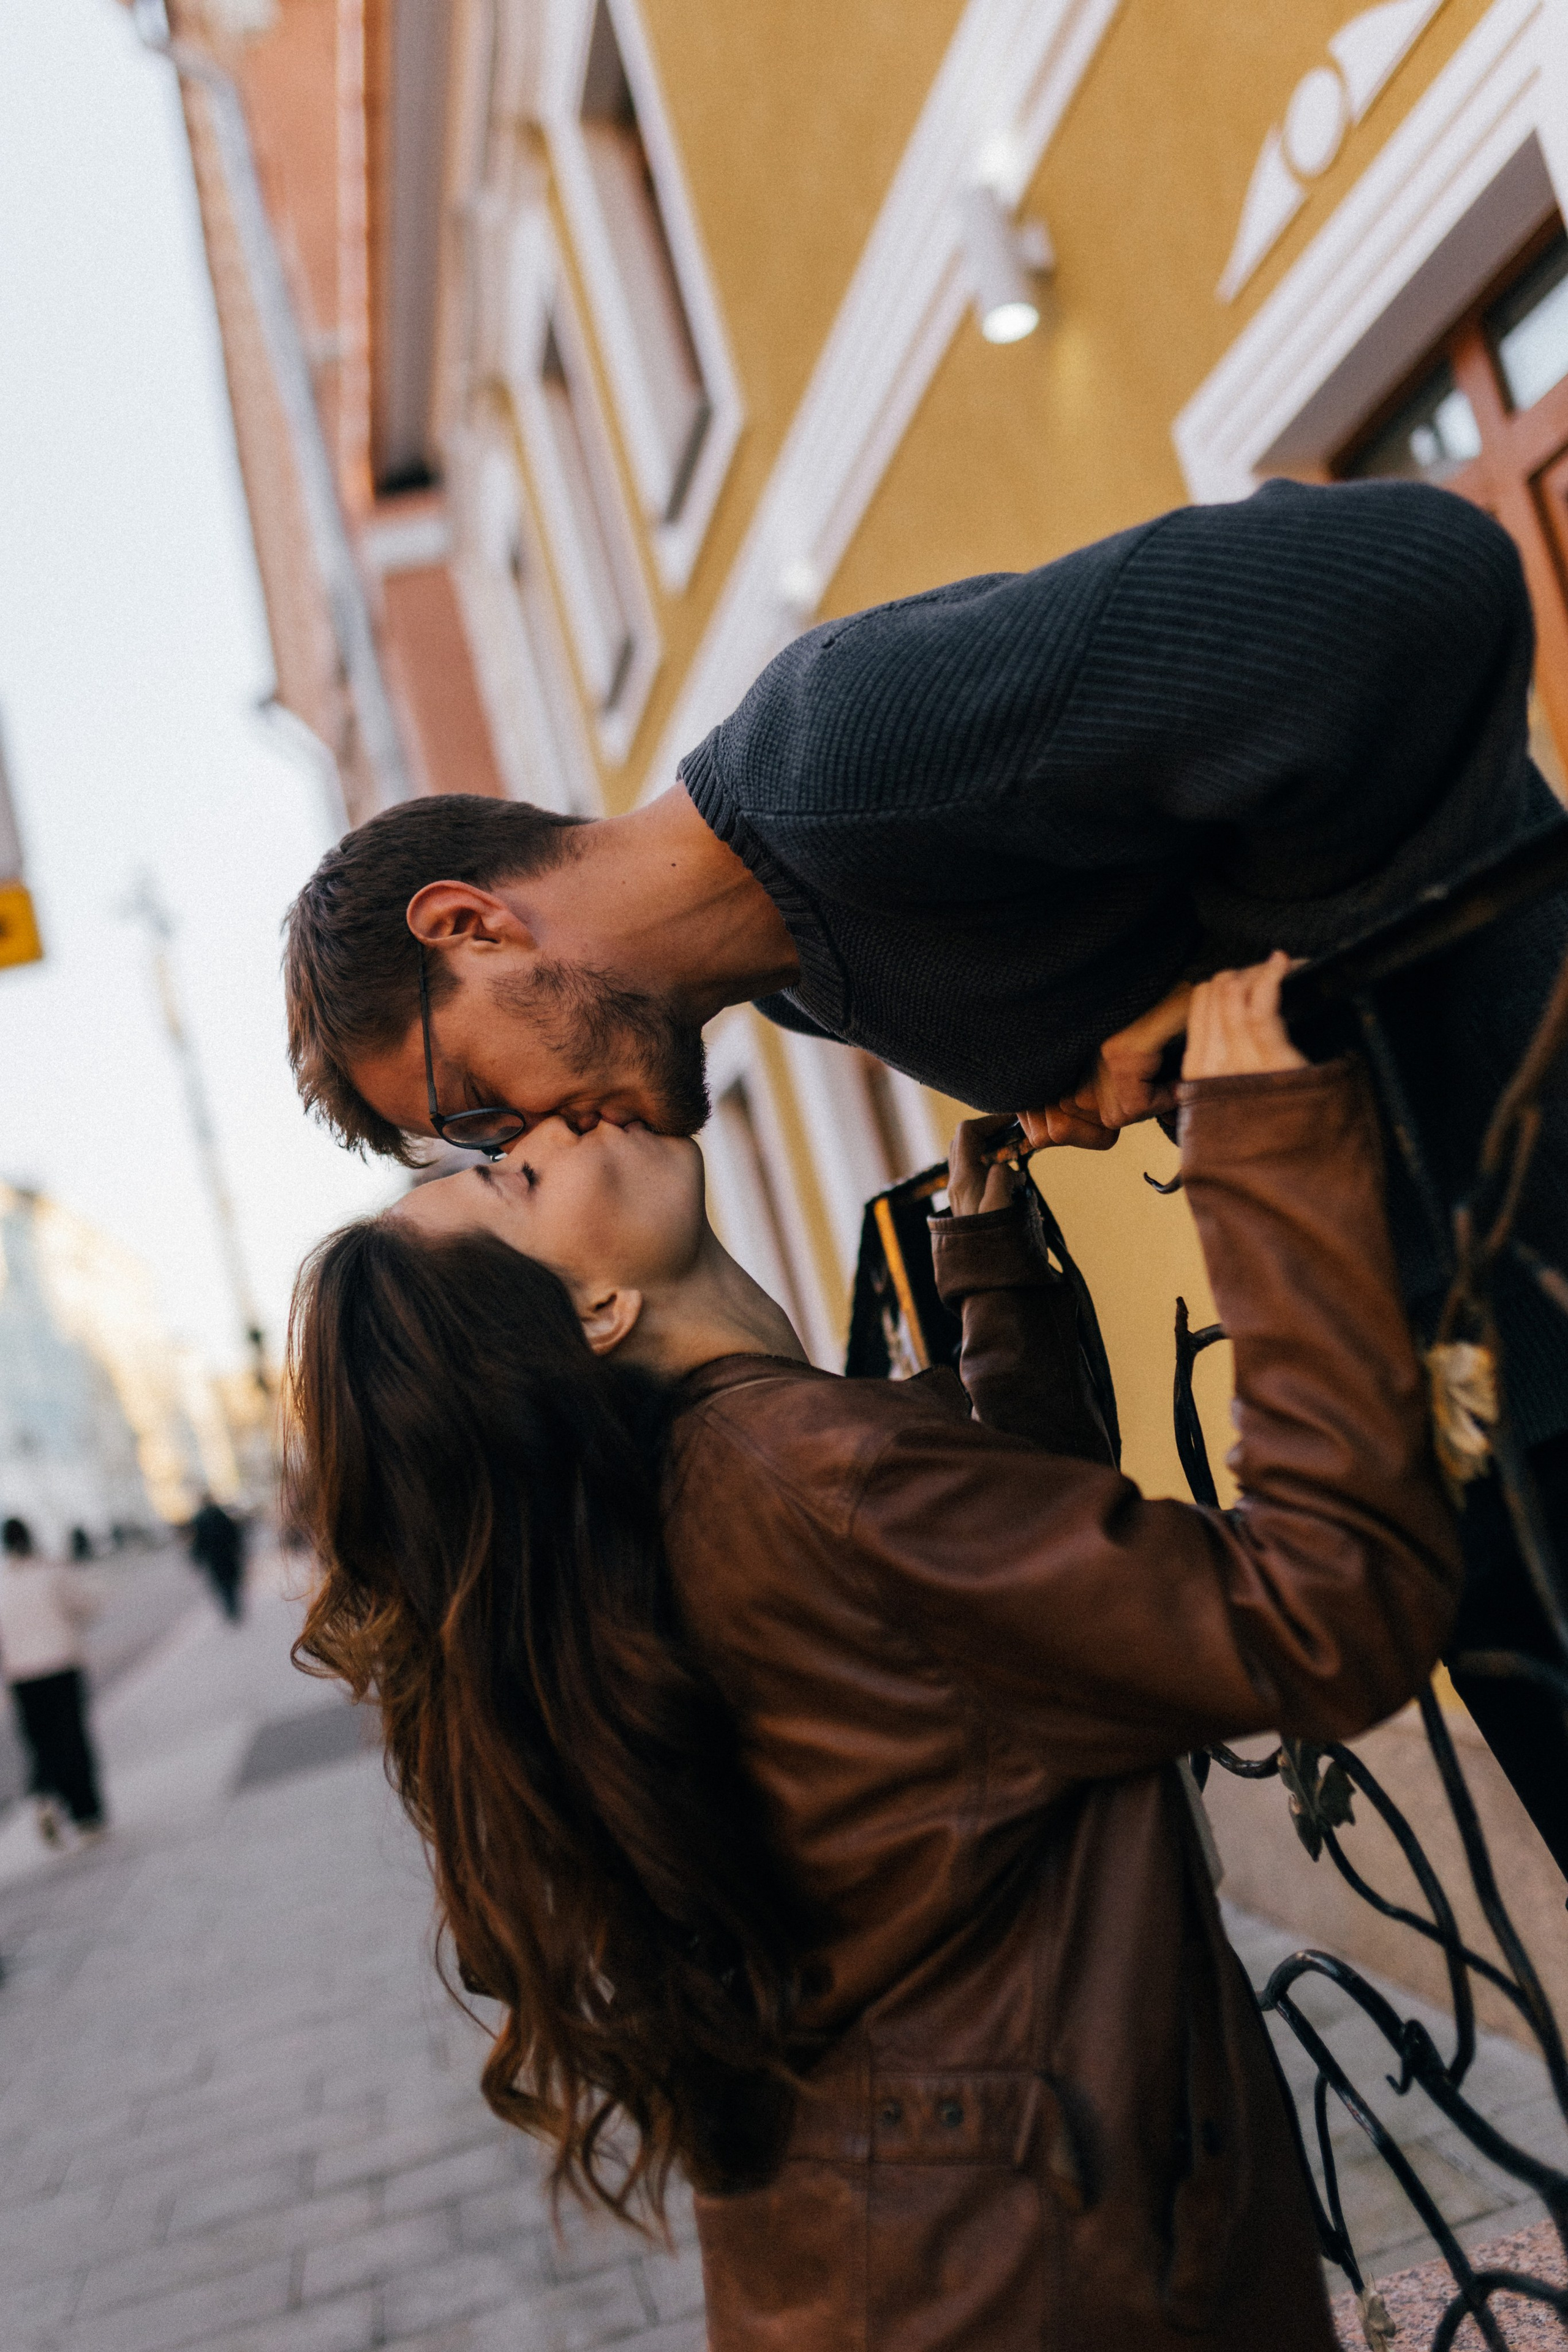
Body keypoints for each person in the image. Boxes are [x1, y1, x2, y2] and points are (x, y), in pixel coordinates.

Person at [285, 958, 1459, 2351]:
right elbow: (1327, 1611)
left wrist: (991, 1272)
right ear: (593, 1314)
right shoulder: (804, 1476)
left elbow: (997, 1657)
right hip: (1028, 2278)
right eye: (513, 1177)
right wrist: (1265, 1140)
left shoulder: (687, 1512)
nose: (548, 1120)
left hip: (892, 2256)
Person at [0, 1517, 107, 1846]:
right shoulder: (51, 1570)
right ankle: (86, 1818)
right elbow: (86, 1606)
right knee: (72, 1738)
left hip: (22, 1675)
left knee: (41, 1744)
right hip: (61, 1665)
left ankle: (45, 1793)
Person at [187, 1496, 246, 1623]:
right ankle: (233, 1607)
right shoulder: (221, 1514)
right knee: (230, 1583)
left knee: (223, 1585)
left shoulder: (200, 1519)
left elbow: (198, 1542)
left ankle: (230, 1609)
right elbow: (234, 1534)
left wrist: (197, 1558)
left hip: (214, 1560)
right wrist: (239, 1550)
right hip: (227, 1556)